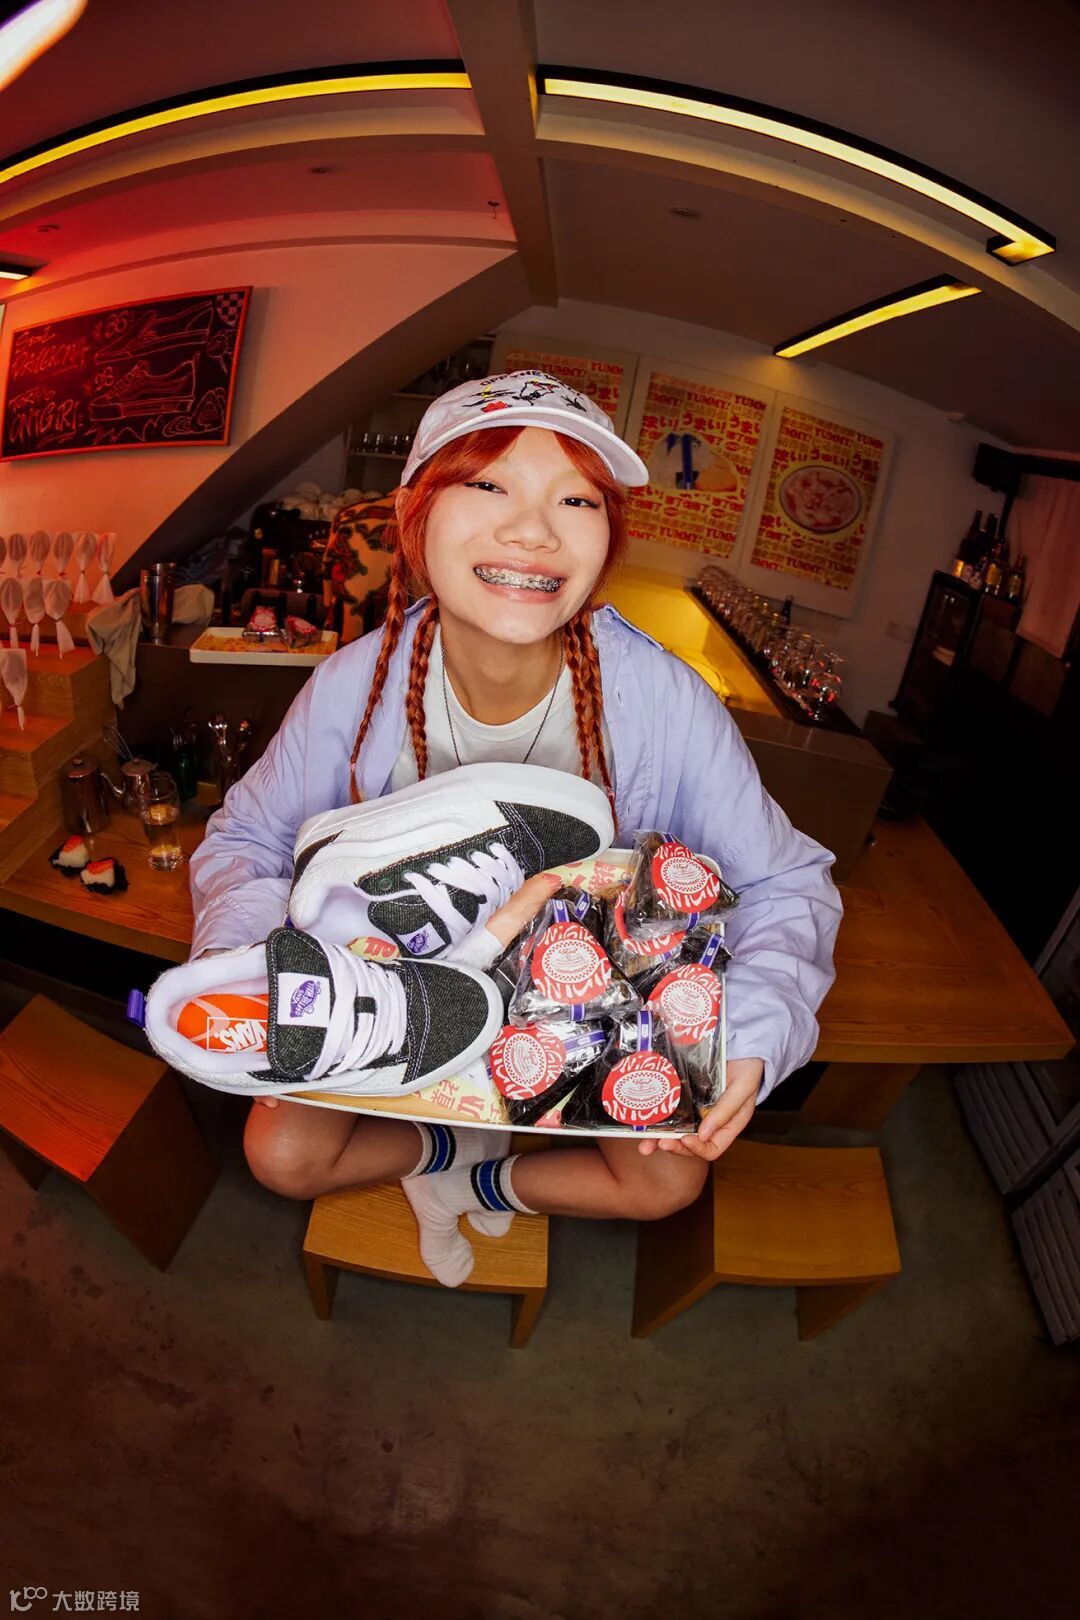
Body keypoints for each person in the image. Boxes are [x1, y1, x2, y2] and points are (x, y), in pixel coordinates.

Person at [189, 370, 842, 1285]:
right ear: (415, 517)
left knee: (667, 1184)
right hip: (402, 987)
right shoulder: (352, 686)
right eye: (489, 484)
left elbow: (782, 881)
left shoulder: (662, 700)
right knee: (283, 1156)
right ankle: (446, 1146)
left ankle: (477, 1181)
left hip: (577, 997)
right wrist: (258, 972)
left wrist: (757, 1037)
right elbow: (247, 842)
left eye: (576, 499)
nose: (533, 531)